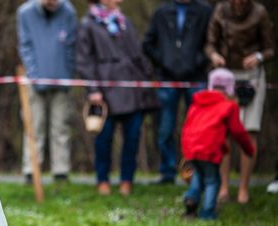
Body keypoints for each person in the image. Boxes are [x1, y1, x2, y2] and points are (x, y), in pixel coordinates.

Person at [76, 0, 158, 196]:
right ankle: (102, 180)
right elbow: (84, 60)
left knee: (132, 138)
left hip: (132, 90)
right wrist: (93, 88)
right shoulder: (88, 23)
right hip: (105, 92)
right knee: (103, 140)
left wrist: (147, 77)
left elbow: (138, 55)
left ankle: (126, 180)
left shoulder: (125, 22)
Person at [205, 0, 275, 204]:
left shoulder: (259, 12)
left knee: (249, 130)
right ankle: (224, 187)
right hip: (225, 76)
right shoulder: (221, 10)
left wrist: (259, 56)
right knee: (223, 131)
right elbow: (209, 43)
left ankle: (244, 188)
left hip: (252, 76)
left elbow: (270, 48)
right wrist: (214, 55)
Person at [142, 0, 213, 184]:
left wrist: (197, 62)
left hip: (196, 78)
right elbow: (147, 43)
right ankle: (168, 172)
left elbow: (212, 43)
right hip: (167, 78)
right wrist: (164, 61)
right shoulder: (162, 12)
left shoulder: (205, 11)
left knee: (198, 129)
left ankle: (196, 171)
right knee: (165, 128)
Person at [16, 0, 77, 183]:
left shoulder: (68, 11)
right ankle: (31, 170)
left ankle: (61, 171)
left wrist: (68, 74)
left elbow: (71, 46)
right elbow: (25, 46)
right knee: (34, 126)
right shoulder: (25, 13)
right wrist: (34, 75)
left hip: (62, 79)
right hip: (34, 80)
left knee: (61, 126)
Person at [181, 68, 254, 219]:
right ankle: (208, 213)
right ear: (229, 89)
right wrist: (249, 149)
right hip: (210, 150)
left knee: (198, 176)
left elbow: (187, 126)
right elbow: (238, 132)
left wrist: (186, 150)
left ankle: (191, 199)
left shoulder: (197, 102)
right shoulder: (229, 106)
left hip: (192, 148)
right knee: (213, 180)